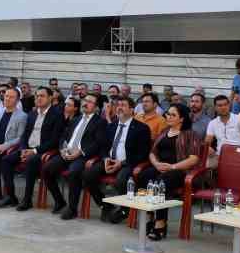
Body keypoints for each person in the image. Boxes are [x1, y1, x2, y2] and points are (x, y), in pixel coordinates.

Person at [84, 95, 153, 224]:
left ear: (132, 109)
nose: (119, 108)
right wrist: (105, 158)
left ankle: (124, 210)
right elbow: (103, 146)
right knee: (88, 175)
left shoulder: (142, 128)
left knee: (121, 180)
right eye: (118, 105)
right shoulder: (111, 126)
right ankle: (105, 205)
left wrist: (121, 163)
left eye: (123, 105)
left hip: (128, 163)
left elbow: (143, 154)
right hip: (109, 161)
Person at [0, 88, 66, 211]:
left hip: (43, 151)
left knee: (31, 161)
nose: (38, 98)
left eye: (42, 96)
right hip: (27, 148)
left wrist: (34, 151)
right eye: (37, 96)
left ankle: (27, 200)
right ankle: (11, 196)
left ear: (50, 98)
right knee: (6, 160)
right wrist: (23, 148)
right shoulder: (32, 114)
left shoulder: (57, 115)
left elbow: (55, 140)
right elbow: (24, 135)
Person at [45, 93, 108, 218]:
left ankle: (72, 209)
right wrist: (62, 149)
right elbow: (63, 136)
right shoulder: (76, 119)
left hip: (82, 156)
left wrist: (80, 152)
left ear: (96, 107)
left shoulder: (100, 122)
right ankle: (59, 201)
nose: (85, 103)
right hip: (67, 153)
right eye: (85, 100)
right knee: (46, 169)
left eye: (90, 102)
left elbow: (98, 143)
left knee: (74, 172)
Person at [144, 104, 201, 238]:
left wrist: (172, 167)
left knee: (161, 182)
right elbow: (152, 152)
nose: (168, 117)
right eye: (167, 114)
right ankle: (149, 215)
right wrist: (156, 164)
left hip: (180, 171)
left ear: (181, 118)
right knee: (143, 176)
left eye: (172, 115)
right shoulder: (164, 132)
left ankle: (160, 222)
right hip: (160, 168)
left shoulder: (190, 134)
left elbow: (193, 159)